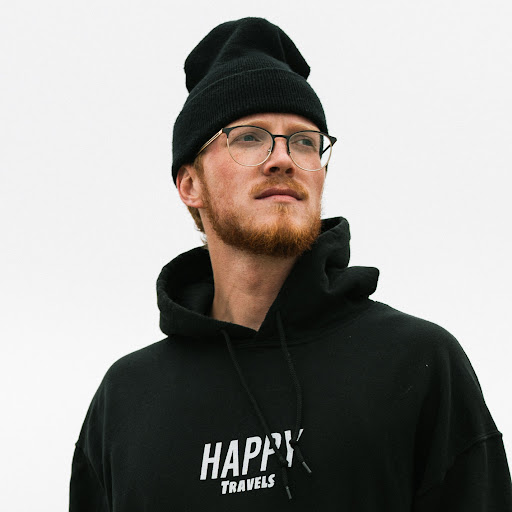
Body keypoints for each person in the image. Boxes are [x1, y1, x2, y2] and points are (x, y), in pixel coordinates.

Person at [69, 17, 512, 511]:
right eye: (249, 138)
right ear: (190, 184)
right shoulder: (126, 402)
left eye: (304, 141)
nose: (283, 159)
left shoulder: (416, 364)